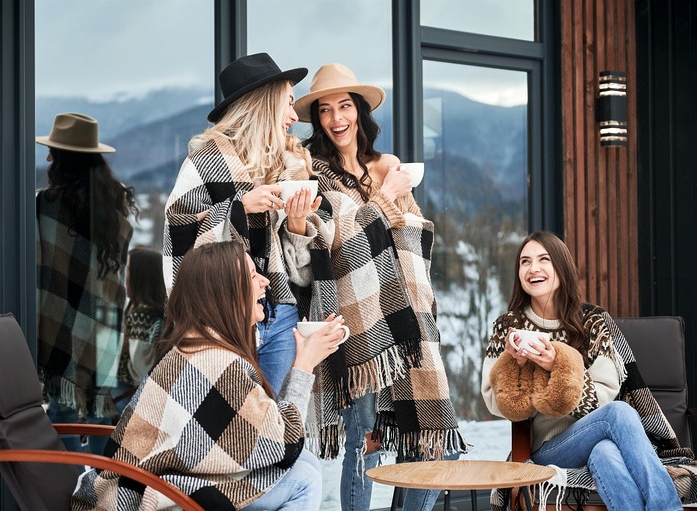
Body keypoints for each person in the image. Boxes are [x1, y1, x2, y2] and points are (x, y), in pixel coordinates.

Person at [295, 63, 466, 511]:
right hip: (359, 319)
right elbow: (334, 238)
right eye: (326, 110)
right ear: (317, 119)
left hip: (405, 316)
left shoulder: (385, 165)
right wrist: (387, 196)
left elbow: (413, 235)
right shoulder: (313, 170)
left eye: (345, 106)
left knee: (428, 438)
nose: (336, 118)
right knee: (364, 437)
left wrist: (389, 193)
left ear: (359, 111)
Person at [71, 240, 346, 511]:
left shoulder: (201, 346)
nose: (265, 281)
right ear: (226, 293)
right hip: (152, 493)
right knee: (304, 478)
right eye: (252, 276)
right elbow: (282, 441)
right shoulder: (216, 362)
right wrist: (304, 365)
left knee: (306, 462)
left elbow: (272, 434)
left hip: (165, 479)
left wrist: (303, 359)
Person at [163, 52, 335, 395]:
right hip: (224, 318)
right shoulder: (205, 161)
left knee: (276, 422)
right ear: (263, 105)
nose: (293, 115)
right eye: (287, 103)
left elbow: (302, 271)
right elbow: (177, 241)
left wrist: (299, 222)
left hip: (281, 312)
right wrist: (238, 208)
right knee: (229, 424)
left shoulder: (292, 164)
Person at [481, 231, 682, 510]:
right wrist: (515, 364)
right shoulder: (509, 326)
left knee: (605, 452)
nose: (533, 268)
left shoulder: (593, 321)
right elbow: (494, 401)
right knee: (621, 413)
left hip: (597, 437)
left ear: (561, 267)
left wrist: (557, 366)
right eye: (525, 262)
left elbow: (604, 396)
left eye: (544, 259)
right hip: (550, 449)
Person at [36, 112, 137, 455]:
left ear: (60, 158)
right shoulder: (116, 210)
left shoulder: (45, 206)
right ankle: (101, 491)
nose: (48, 159)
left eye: (53, 153)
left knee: (61, 412)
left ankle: (70, 488)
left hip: (59, 318)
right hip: (107, 321)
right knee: (99, 413)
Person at [112, 245, 166, 414]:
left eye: (128, 271)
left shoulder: (141, 315)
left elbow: (140, 372)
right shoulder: (159, 310)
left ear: (139, 277)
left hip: (131, 397)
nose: (124, 276)